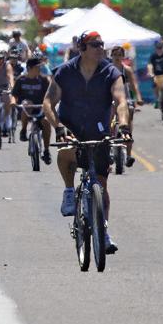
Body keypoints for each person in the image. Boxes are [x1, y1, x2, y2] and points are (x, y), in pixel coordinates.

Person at [43, 30, 131, 253]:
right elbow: (48, 103)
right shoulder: (65, 72)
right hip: (71, 128)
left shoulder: (110, 72)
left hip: (99, 130)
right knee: (66, 151)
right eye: (95, 45)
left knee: (101, 185)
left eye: (102, 44)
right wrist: (59, 128)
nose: (101, 48)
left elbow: (121, 100)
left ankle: (104, 231)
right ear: (82, 49)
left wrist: (123, 124)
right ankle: (69, 191)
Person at [11, 51, 52, 164]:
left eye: (39, 67)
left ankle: (47, 151)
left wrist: (49, 104)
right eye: (37, 67)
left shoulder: (44, 80)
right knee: (26, 104)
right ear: (29, 68)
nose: (39, 69)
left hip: (40, 108)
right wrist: (13, 103)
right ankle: (23, 131)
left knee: (46, 123)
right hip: (26, 109)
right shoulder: (21, 80)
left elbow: (50, 95)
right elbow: (14, 95)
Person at [109, 45, 144, 167]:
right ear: (111, 56)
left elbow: (134, 85)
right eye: (115, 55)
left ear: (123, 56)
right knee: (109, 119)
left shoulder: (127, 70)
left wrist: (138, 98)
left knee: (128, 123)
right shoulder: (107, 69)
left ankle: (128, 155)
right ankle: (107, 150)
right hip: (110, 99)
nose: (117, 57)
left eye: (120, 55)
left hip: (126, 98)